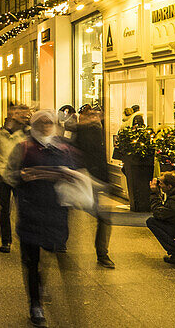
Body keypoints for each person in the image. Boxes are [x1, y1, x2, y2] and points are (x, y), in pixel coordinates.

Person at [6, 109, 80, 327]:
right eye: (42, 122)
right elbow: (10, 175)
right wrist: (21, 176)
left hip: (54, 212)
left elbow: (75, 174)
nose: (47, 125)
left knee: (47, 257)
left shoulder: (63, 147)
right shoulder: (24, 147)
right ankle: (35, 304)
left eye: (50, 122)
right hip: (30, 211)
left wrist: (70, 177)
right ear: (35, 124)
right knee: (31, 260)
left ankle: (39, 284)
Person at [69, 105, 114, 268]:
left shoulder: (102, 130)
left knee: (104, 217)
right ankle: (61, 243)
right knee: (71, 212)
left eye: (97, 115)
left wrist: (107, 181)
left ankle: (102, 253)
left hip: (98, 178)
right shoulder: (80, 131)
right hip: (82, 177)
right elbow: (73, 152)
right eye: (91, 115)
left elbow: (101, 157)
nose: (95, 117)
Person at [0, 102, 29, 253]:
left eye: (16, 113)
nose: (14, 116)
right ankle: (6, 240)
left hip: (18, 176)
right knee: (4, 209)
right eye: (12, 113)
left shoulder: (26, 133)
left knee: (22, 208)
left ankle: (24, 238)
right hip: (0, 176)